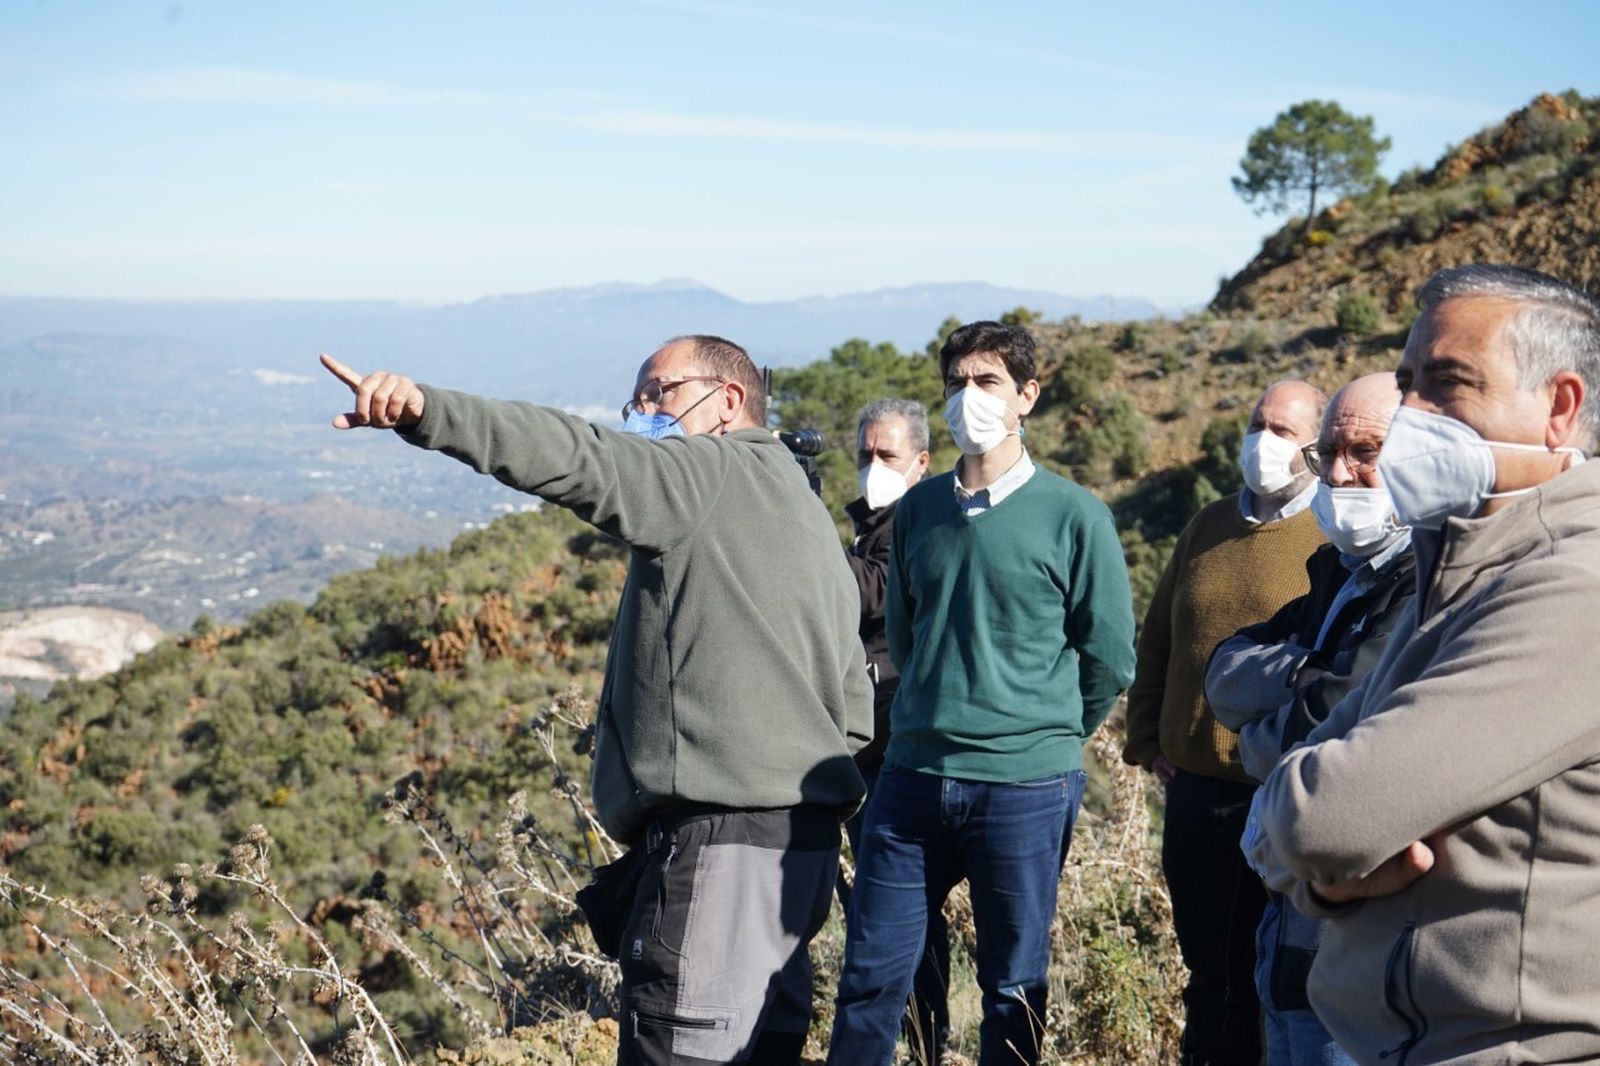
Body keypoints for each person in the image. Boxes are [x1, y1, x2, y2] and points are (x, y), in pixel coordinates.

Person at [318, 335, 872, 1066]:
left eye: (661, 394)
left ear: (728, 401)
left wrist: (428, 411)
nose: (643, 412)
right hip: (795, 857)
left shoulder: (706, 474)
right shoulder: (805, 511)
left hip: (719, 850)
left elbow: (580, 457)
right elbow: (855, 706)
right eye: (636, 399)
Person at [1249, 265, 1600, 1065]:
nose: (1411, 414)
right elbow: (1303, 827)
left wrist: (1308, 850)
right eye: (1408, 383)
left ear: (1560, 409)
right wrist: (1320, 876)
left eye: (1448, 383)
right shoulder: (1460, 574)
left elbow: (1320, 817)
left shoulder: (1577, 587)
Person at [828, 321, 1136, 1066]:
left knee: (1013, 989)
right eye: (958, 382)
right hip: (910, 780)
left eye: (989, 381)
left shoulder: (1075, 517)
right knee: (871, 979)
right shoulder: (919, 513)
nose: (971, 397)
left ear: (1027, 396)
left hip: (1024, 785)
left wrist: (1044, 732)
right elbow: (904, 636)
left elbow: (1109, 658)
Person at [1203, 372, 1416, 1066]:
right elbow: (1222, 673)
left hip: (1363, 929)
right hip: (1291, 920)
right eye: (1331, 454)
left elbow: (1343, 730)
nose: (1344, 474)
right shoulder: (1336, 572)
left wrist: (1272, 731)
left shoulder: (1421, 584)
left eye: (1368, 451)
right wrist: (1302, 673)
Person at [1121, 378, 1327, 1066]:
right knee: (1208, 976)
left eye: (1283, 431)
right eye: (1256, 423)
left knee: (1272, 977)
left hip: (1277, 792)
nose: (1262, 443)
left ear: (1315, 447)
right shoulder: (1206, 525)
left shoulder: (1328, 534)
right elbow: (1157, 640)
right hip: (1195, 793)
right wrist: (1148, 741)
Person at [839, 397, 949, 1063]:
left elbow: (870, 593)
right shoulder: (874, 526)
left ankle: (925, 1039)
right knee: (893, 910)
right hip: (867, 745)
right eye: (865, 455)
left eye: (887, 455)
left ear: (921, 463)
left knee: (903, 909)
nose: (873, 467)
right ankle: (917, 1036)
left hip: (895, 746)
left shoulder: (917, 527)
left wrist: (799, 534)